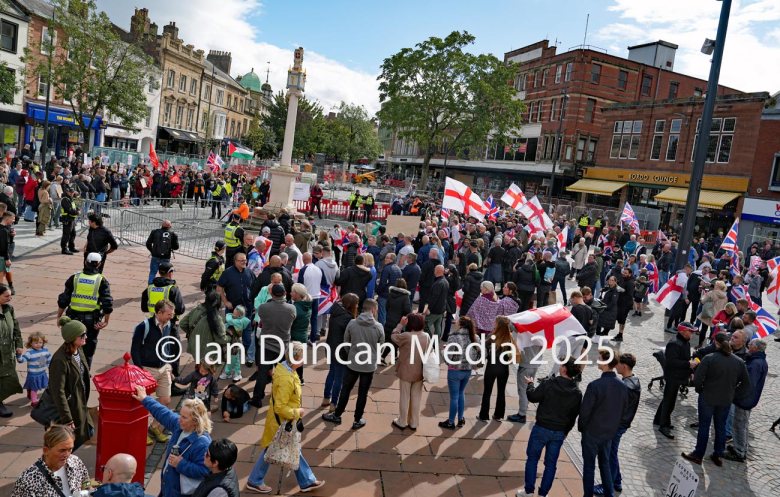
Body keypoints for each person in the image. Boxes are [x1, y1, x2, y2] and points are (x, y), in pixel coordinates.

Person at [246, 342, 325, 494]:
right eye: (302, 357)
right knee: (285, 449)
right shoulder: (286, 378)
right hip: (282, 422)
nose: (303, 359)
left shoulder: (286, 370)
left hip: (281, 422)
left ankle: (305, 481)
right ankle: (305, 481)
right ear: (295, 358)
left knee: (281, 449)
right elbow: (280, 408)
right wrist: (297, 412)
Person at [682, 333, 751, 467]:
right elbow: (746, 385)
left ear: (716, 343)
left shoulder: (709, 358)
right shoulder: (738, 362)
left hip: (707, 398)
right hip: (725, 400)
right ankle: (718, 454)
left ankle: (698, 454)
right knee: (720, 427)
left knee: (704, 426)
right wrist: (733, 395)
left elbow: (697, 380)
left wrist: (700, 390)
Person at [132, 386, 212, 497]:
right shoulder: (180, 426)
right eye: (180, 415)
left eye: (184, 417)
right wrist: (145, 399)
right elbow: (163, 413)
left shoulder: (202, 443)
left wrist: (181, 464)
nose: (180, 419)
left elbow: (205, 471)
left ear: (195, 421)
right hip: (168, 487)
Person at [519, 359, 583, 497]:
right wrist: (566, 431)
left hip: (541, 428)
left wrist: (530, 384)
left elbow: (533, 397)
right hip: (559, 432)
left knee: (532, 459)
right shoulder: (577, 392)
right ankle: (543, 494)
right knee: (551, 464)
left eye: (562, 364)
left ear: (564, 369)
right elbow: (573, 416)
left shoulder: (549, 383)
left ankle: (528, 491)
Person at [322, 298, 384, 430]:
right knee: (363, 393)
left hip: (353, 362)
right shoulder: (378, 327)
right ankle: (357, 419)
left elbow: (346, 342)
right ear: (373, 310)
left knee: (346, 389)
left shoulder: (352, 323)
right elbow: (381, 346)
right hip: (368, 365)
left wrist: (351, 354)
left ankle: (337, 415)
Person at [579, 348, 628, 497]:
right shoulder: (622, 386)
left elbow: (585, 412)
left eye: (600, 358)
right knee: (605, 464)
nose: (597, 360)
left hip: (592, 433)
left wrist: (582, 429)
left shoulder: (595, 385)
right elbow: (623, 412)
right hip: (608, 434)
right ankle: (609, 494)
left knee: (589, 467)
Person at [592, 353, 640, 496]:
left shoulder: (625, 386)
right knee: (613, 452)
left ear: (624, 366)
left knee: (609, 455)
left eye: (618, 364)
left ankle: (608, 485)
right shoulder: (634, 380)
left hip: (617, 425)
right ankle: (617, 481)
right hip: (623, 424)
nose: (615, 366)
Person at [131, 299, 177, 445]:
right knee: (145, 402)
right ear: (159, 312)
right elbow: (135, 349)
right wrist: (140, 370)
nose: (171, 316)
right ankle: (143, 431)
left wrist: (170, 367)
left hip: (164, 367)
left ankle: (154, 427)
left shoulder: (169, 325)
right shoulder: (143, 327)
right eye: (169, 314)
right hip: (147, 368)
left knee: (165, 400)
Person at [56, 252, 113, 367]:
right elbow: (107, 302)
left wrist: (59, 316)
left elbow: (64, 299)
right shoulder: (101, 280)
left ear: (85, 262)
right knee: (89, 345)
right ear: (99, 264)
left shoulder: (75, 278)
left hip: (73, 318)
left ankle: (70, 368)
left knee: (71, 343)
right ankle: (85, 370)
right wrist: (106, 321)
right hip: (92, 320)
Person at [49, 317, 93, 449]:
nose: (86, 336)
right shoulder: (59, 360)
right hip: (70, 407)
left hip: (80, 400)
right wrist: (67, 419)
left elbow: (81, 367)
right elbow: (58, 391)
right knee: (71, 442)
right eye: (82, 335)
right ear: (72, 338)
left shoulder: (78, 349)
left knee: (88, 431)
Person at [11, 425, 90, 497]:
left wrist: (88, 491)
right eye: (62, 450)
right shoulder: (28, 480)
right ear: (46, 450)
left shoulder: (75, 461)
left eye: (70, 449)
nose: (67, 454)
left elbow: (86, 482)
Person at [250, 284, 295, 408]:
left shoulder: (264, 308)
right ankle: (281, 396)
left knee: (262, 373)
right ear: (285, 293)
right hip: (283, 346)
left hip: (266, 345)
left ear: (272, 294)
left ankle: (257, 398)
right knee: (283, 374)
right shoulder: (291, 309)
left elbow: (262, 319)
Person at [726, 338, 768, 462]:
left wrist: (736, 394)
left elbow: (748, 384)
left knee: (739, 425)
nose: (748, 346)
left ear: (755, 348)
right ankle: (741, 448)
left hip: (745, 400)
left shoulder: (755, 364)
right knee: (742, 425)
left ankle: (739, 452)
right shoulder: (759, 360)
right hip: (748, 399)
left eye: (749, 345)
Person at [653, 322, 694, 439]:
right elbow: (672, 362)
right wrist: (688, 364)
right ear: (682, 331)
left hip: (678, 376)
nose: (691, 334)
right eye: (689, 331)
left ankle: (658, 419)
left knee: (668, 398)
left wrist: (689, 370)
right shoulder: (675, 344)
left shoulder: (685, 342)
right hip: (673, 376)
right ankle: (663, 425)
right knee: (669, 401)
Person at [390, 313, 429, 431]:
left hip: (406, 370)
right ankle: (414, 422)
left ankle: (402, 421)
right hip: (420, 371)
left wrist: (400, 325)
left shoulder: (406, 336)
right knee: (416, 397)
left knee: (404, 396)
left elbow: (393, 336)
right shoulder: (426, 335)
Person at [439, 316, 479, 429]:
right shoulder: (475, 337)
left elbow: (449, 357)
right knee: (461, 393)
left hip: (455, 371)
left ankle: (451, 422)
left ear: (460, 324)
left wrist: (443, 351)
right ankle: (461, 419)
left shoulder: (454, 336)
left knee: (454, 397)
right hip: (467, 371)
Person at [478, 316, 520, 422]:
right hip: (504, 368)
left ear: (498, 325)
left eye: (495, 322)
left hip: (491, 367)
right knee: (501, 392)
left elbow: (484, 351)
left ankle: (483, 415)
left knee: (487, 392)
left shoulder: (492, 336)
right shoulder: (510, 338)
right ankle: (498, 415)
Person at [322, 293, 359, 410]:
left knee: (331, 373)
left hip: (331, 346)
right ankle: (334, 403)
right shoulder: (348, 318)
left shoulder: (335, 312)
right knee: (339, 378)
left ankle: (326, 398)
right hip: (341, 350)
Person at [217, 252, 255, 359]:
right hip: (232, 308)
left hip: (247, 307)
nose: (244, 262)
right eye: (241, 260)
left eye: (245, 260)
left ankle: (246, 350)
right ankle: (229, 351)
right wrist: (225, 302)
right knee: (230, 330)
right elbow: (219, 289)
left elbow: (253, 287)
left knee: (247, 330)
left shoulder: (249, 272)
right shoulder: (227, 273)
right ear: (235, 261)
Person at [180, 292, 227, 363]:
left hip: (194, 347)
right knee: (207, 371)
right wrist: (230, 335)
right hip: (209, 353)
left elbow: (182, 323)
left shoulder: (196, 309)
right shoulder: (217, 318)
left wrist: (193, 332)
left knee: (200, 367)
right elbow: (222, 340)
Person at [0, 284, 22, 417]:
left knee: (7, 378)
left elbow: (16, 328)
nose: (10, 298)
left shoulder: (9, 309)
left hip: (8, 353)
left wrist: (19, 344)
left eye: (10, 296)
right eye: (6, 296)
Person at [16, 330, 51, 408]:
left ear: (43, 342)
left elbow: (48, 359)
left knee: (42, 385)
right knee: (34, 388)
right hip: (33, 375)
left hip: (42, 373)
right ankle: (34, 402)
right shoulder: (30, 353)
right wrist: (19, 355)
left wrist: (50, 365)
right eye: (35, 343)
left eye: (40, 342)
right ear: (30, 343)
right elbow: (21, 361)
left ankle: (30, 392)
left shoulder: (45, 350)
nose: (38, 345)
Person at [290, 284, 313, 382]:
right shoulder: (307, 306)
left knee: (293, 361)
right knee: (299, 360)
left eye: (292, 292)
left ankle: (294, 380)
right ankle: (300, 378)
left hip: (294, 337)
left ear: (297, 294)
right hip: (303, 336)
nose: (290, 293)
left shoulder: (294, 308)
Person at [146, 220, 179, 284]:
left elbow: (148, 243)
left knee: (153, 272)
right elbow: (176, 247)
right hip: (166, 256)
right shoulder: (173, 234)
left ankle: (150, 287)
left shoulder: (154, 232)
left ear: (161, 225)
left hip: (155, 255)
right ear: (170, 226)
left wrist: (152, 251)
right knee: (166, 273)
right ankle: (166, 286)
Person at [697, 280, 728, 347]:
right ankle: (710, 345)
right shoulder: (725, 296)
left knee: (703, 330)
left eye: (716, 285)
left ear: (718, 286)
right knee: (713, 331)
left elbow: (702, 302)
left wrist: (703, 297)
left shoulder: (711, 293)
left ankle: (700, 345)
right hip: (717, 316)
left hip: (708, 313)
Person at [422, 265, 449, 338]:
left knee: (425, 325)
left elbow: (433, 298)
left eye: (435, 269)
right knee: (437, 327)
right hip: (441, 309)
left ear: (438, 271)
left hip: (434, 310)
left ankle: (430, 340)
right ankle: (435, 342)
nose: (434, 271)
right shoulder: (445, 281)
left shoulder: (438, 283)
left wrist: (427, 309)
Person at [59, 186, 80, 255]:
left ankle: (71, 247)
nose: (72, 193)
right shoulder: (65, 199)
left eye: (72, 192)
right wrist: (77, 212)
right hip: (67, 219)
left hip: (72, 219)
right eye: (70, 192)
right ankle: (64, 249)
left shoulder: (70, 199)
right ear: (67, 192)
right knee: (66, 234)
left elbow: (74, 207)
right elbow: (69, 210)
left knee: (73, 234)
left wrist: (77, 209)